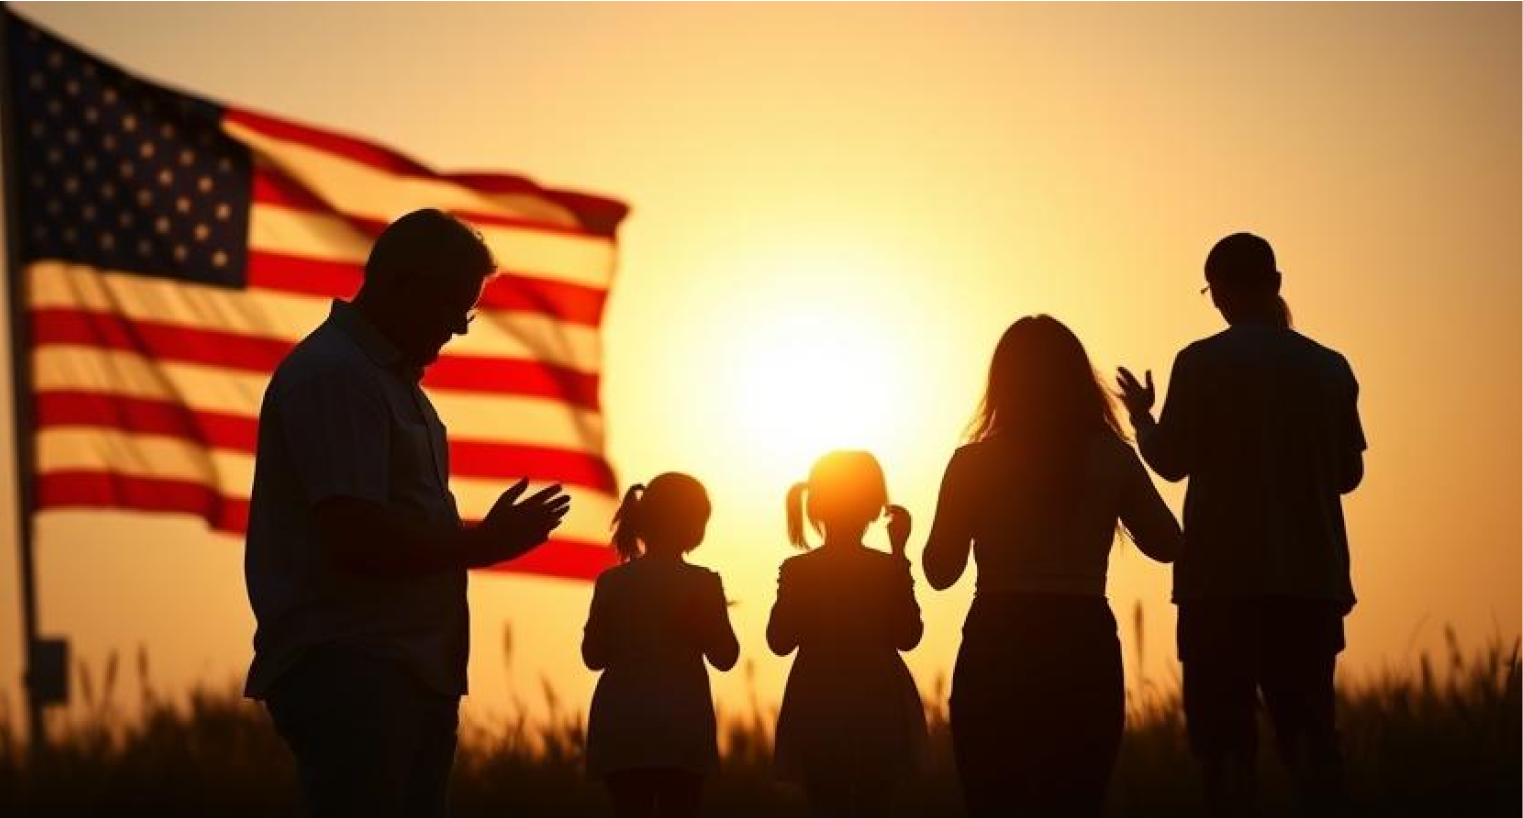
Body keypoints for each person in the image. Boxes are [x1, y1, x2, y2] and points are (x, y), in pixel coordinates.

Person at [243, 209, 572, 818]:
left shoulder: (388, 383)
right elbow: (357, 536)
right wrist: (482, 545)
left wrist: (481, 542)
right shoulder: (338, 378)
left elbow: (383, 528)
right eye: (453, 308)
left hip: (404, 673)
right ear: (403, 285)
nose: (459, 329)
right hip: (356, 670)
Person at [1116, 232, 1366, 818]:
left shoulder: (1201, 363)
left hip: (1218, 586)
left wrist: (1142, 419)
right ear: (1276, 284)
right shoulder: (1331, 368)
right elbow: (1349, 474)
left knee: (1224, 749)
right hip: (1309, 582)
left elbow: (1171, 462)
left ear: (1218, 293)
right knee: (1310, 739)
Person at [922, 315, 1181, 818]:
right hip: (1083, 642)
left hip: (997, 642)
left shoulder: (972, 463)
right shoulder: (1113, 457)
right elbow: (1168, 543)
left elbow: (940, 571)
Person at [767, 451, 926, 818]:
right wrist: (900, 555)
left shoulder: (799, 570)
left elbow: (779, 641)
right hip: (878, 706)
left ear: (816, 506)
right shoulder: (886, 569)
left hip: (817, 705)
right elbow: (909, 635)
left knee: (826, 803)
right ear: (874, 508)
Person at [582, 473, 740, 818]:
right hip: (681, 728)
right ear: (695, 525)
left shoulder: (612, 582)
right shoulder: (703, 583)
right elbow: (726, 657)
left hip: (622, 727)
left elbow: (592, 657)